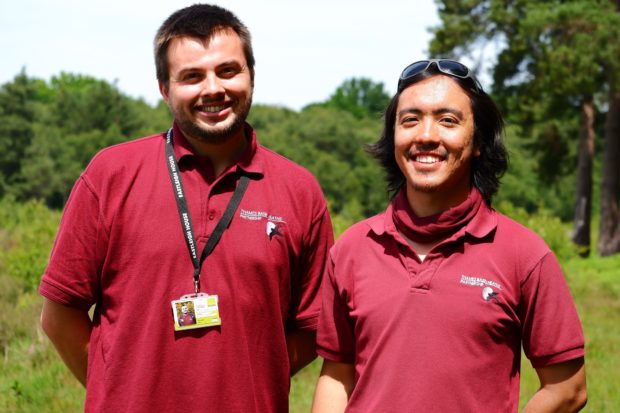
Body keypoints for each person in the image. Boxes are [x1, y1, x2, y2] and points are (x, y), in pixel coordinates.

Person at [39, 4, 333, 412]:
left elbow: (311, 328)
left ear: (251, 74)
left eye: (228, 70)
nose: (213, 89)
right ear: (165, 88)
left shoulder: (299, 191)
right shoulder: (111, 174)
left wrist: (245, 379)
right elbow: (59, 315)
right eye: (191, 76)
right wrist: (120, 386)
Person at [312, 59, 587, 412]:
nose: (426, 136)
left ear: (478, 143)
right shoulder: (351, 248)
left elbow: (568, 389)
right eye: (410, 120)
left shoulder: (524, 255)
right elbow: (336, 375)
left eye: (447, 121)